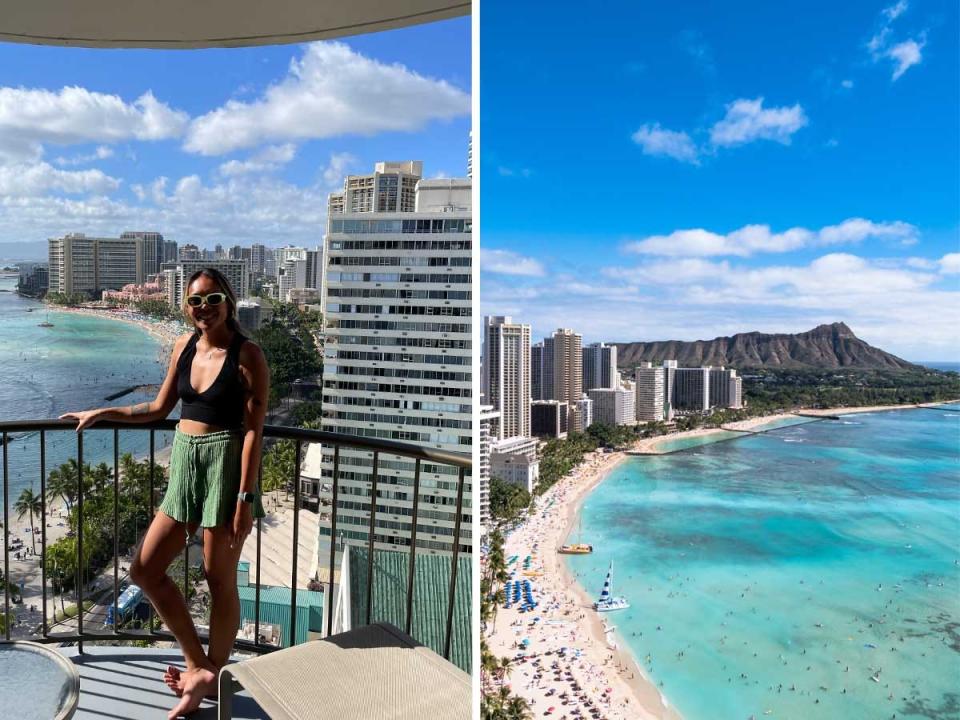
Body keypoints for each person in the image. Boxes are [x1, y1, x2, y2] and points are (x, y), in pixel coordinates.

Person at [61, 268, 268, 718]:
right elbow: (158, 408)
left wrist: (245, 499)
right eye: (195, 302)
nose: (203, 309)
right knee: (145, 569)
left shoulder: (248, 355)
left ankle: (211, 673)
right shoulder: (183, 345)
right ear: (186, 307)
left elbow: (254, 432)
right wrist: (104, 411)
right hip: (185, 461)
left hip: (225, 467)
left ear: (228, 301)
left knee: (219, 580)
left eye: (212, 299)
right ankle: (199, 665)